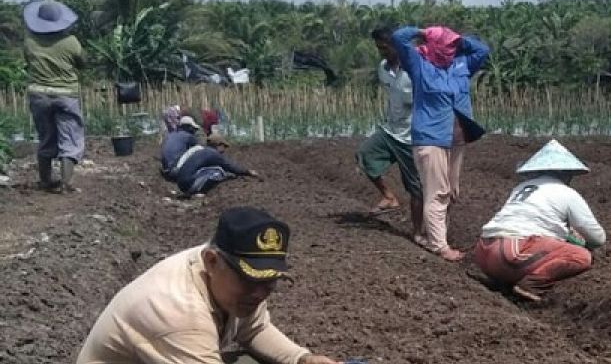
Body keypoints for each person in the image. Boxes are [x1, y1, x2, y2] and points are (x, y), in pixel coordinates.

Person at [76, 206, 342, 364]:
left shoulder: (223, 276)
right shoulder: (178, 309)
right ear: (212, 261)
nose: (261, 293)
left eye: (270, 280)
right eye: (250, 280)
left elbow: (254, 329)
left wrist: (302, 358)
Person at [390, 25, 489, 262]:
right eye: (445, 45)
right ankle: (439, 245)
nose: (449, 50)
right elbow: (398, 37)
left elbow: (482, 50)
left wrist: (456, 38)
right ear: (433, 46)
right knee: (437, 193)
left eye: (452, 46)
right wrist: (423, 32)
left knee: (451, 193)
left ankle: (434, 233)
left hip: (456, 138)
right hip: (430, 137)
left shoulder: (461, 64)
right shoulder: (420, 66)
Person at [475, 139, 605, 302]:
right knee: (581, 256)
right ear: (567, 174)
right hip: (510, 254)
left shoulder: (521, 188)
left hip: (483, 252)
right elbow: (597, 238)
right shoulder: (566, 193)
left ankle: (502, 281)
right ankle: (532, 285)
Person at [355, 27, 424, 243]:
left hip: (412, 136)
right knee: (364, 154)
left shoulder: (415, 68)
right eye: (379, 48)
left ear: (396, 45)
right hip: (391, 131)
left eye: (385, 47)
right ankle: (388, 196)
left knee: (416, 188)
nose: (382, 52)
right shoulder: (383, 69)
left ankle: (418, 233)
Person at [23, 0, 86, 193]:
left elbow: (28, 62)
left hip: (39, 95)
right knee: (70, 137)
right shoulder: (71, 42)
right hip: (66, 94)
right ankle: (66, 184)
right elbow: (82, 62)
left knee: (46, 136)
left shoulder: (29, 41)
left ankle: (45, 181)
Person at [168, 129, 260, 197]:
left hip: (181, 183)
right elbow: (229, 166)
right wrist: (248, 172)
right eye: (224, 146)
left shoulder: (203, 151)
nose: (224, 150)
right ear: (219, 145)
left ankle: (194, 190)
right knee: (219, 172)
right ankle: (198, 192)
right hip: (188, 184)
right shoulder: (213, 154)